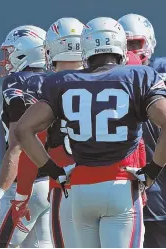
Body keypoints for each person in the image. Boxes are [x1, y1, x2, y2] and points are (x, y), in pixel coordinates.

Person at [13, 17, 166, 247]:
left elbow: (24, 130)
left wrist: (54, 171)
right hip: (121, 186)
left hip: (80, 189)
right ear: (120, 47)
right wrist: (152, 170)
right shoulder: (139, 76)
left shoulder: (63, 82)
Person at [14, 17, 84, 248]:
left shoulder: (49, 84)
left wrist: (23, 194)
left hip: (65, 184)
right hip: (109, 179)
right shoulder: (109, 81)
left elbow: (30, 137)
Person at [0, 25, 53, 248]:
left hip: (24, 185)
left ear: (25, 52)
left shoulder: (18, 82)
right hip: (52, 184)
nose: (7, 58)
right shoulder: (57, 82)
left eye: (10, 51)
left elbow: (18, 145)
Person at [119, 13, 166, 248]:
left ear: (149, 42)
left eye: (134, 44)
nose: (129, 51)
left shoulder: (160, 71)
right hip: (129, 189)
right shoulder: (108, 79)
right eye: (124, 44)